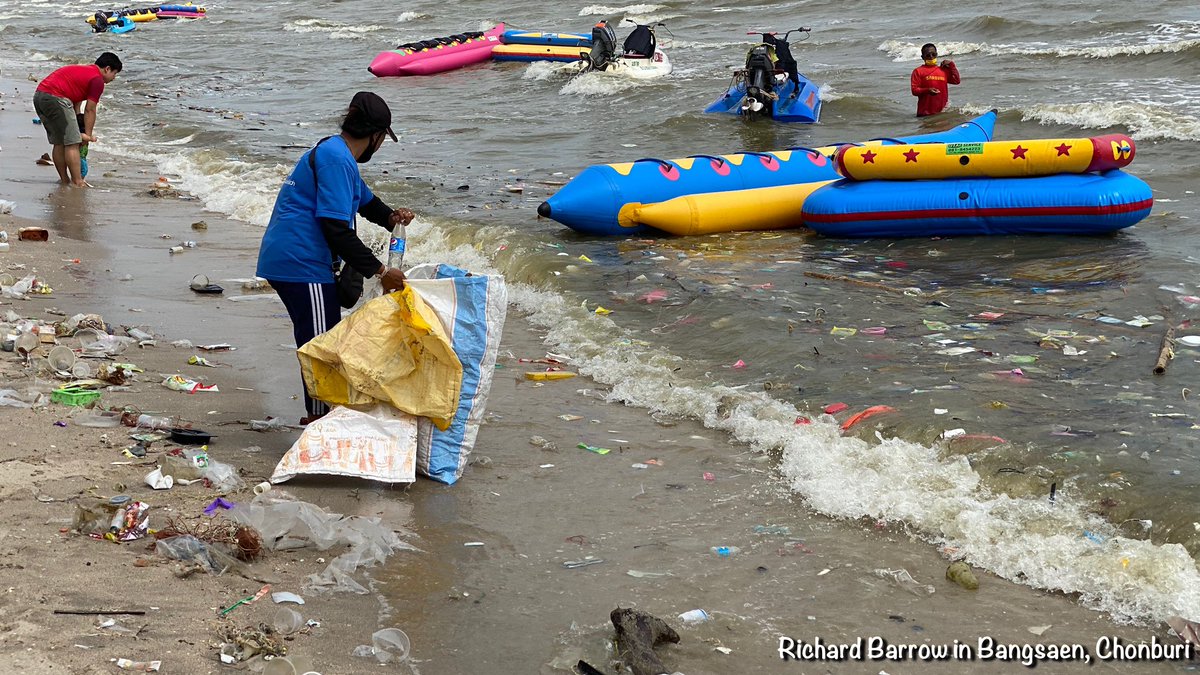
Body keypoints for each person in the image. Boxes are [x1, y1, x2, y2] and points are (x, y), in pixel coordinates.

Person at [256, 91, 415, 425]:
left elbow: (366, 202)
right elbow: (335, 229)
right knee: (322, 348)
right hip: (301, 262)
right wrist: (380, 271)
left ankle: (321, 417)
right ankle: (318, 422)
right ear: (376, 136)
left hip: (293, 257)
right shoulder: (337, 160)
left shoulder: (336, 152)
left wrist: (392, 218)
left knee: (323, 339)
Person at [33, 52, 122, 187]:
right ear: (107, 69)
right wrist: (87, 136)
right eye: (114, 73)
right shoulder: (97, 80)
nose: (114, 78)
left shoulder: (85, 71)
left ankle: (64, 180)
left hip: (40, 96)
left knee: (59, 142)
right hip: (56, 97)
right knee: (72, 143)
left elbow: (76, 103)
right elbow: (90, 109)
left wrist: (79, 128)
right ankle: (77, 181)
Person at [910, 43, 959, 117]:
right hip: (925, 115)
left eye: (933, 54)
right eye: (928, 55)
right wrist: (928, 90)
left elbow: (956, 81)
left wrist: (952, 65)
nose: (931, 57)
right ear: (923, 57)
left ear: (937, 54)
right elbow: (914, 90)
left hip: (942, 113)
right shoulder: (918, 71)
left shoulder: (943, 70)